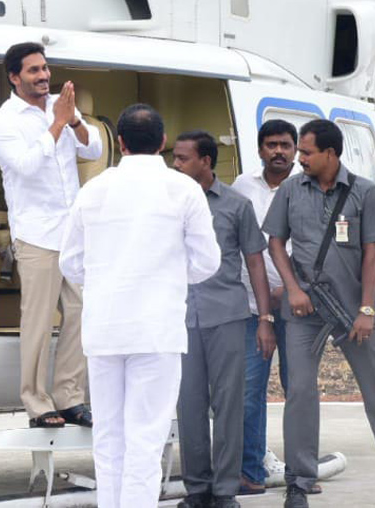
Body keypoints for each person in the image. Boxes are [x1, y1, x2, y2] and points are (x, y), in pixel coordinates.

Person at [263, 119, 375, 508]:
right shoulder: (292, 189)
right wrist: (292, 290)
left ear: (330, 153)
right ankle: (299, 482)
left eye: (306, 152)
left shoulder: (364, 192)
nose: (299, 159)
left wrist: (366, 310)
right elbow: (275, 242)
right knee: (301, 394)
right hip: (305, 310)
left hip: (354, 311)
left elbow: (372, 255)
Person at [60, 104, 221, 508]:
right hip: (157, 327)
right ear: (164, 143)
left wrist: (108, 279)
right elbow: (207, 262)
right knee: (146, 439)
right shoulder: (183, 189)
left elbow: (71, 263)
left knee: (108, 437)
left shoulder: (93, 189)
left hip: (105, 328)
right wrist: (164, 277)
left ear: (120, 142)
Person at [0, 41, 101, 428]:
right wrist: (57, 123)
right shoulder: (5, 120)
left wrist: (71, 121)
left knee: (83, 310)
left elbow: (94, 148)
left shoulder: (61, 106)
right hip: (36, 234)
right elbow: (25, 167)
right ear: (15, 77)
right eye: (34, 70)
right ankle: (36, 401)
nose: (44, 76)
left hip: (72, 232)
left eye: (45, 68)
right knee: (37, 320)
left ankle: (70, 396)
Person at [173, 130, 274, 508]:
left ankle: (225, 490)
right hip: (180, 316)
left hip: (227, 315)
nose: (176, 164)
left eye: (183, 158)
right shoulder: (168, 201)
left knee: (229, 403)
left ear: (206, 162)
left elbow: (254, 261)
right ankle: (197, 489)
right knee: (189, 403)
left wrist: (265, 318)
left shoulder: (235, 204)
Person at [231, 119, 298, 495]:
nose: (278, 151)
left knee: (298, 388)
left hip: (299, 304)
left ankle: (301, 473)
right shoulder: (242, 187)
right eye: (271, 144)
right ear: (259, 150)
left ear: (295, 150)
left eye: (285, 145)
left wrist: (289, 288)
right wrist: (263, 298)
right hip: (253, 308)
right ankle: (251, 472)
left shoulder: (307, 189)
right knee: (249, 389)